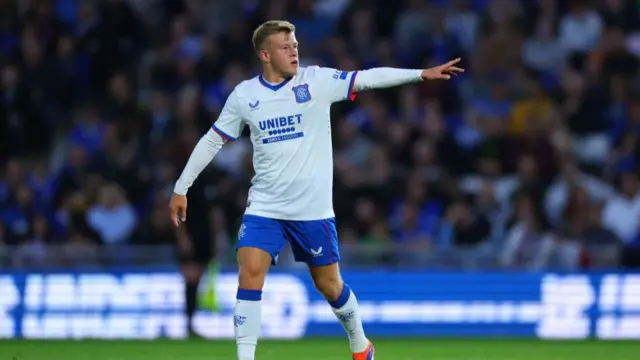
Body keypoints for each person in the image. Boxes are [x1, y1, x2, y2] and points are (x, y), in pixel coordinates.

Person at [169, 20, 463, 360]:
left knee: (329, 285)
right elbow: (212, 141)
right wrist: (182, 188)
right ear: (265, 55)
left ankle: (360, 344)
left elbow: (366, 77)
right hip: (265, 206)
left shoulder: (317, 80)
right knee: (249, 273)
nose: (294, 51)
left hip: (312, 211)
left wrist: (420, 74)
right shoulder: (245, 96)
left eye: (294, 45)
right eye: (285, 47)